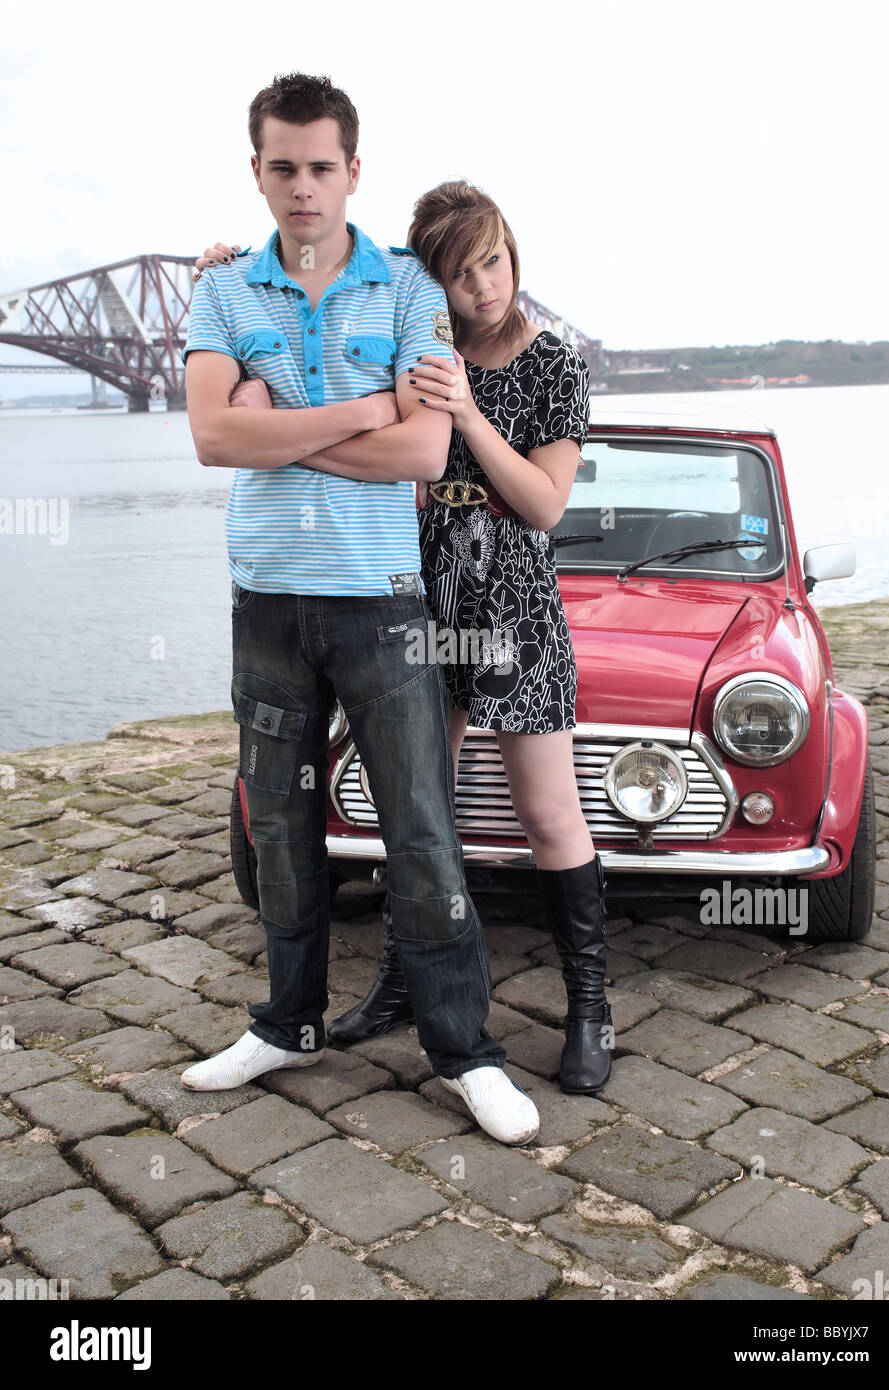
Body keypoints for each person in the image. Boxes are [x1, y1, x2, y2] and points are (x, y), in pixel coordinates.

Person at [181, 72, 539, 1147]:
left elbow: (424, 453)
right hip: (267, 600)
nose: (302, 187)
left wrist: (278, 413)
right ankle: (285, 1024)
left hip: (381, 603)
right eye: (282, 166)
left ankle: (465, 1049)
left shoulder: (405, 291)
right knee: (282, 825)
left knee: (422, 828)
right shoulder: (223, 291)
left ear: (351, 171)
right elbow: (211, 438)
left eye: (320, 167)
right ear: (258, 170)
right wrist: (360, 413)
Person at [199, 179, 613, 1094]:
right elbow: (320, 394)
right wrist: (225, 271)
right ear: (435, 279)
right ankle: (400, 981)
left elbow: (541, 506)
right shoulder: (412, 337)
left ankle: (591, 1006)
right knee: (418, 810)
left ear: (513, 254)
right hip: (420, 601)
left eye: (493, 262)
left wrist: (464, 411)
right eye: (461, 273)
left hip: (510, 612)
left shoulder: (552, 363)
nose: (483, 288)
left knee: (548, 813)